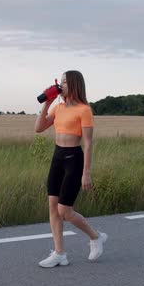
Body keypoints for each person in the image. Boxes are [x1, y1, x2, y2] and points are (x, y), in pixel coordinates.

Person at [34, 70, 107, 268]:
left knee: (65, 210)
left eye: (65, 82)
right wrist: (47, 104)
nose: (61, 85)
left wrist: (86, 172)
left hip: (74, 159)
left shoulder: (84, 110)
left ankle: (96, 237)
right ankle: (60, 253)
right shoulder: (58, 107)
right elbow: (38, 128)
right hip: (57, 158)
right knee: (53, 208)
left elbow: (89, 143)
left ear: (74, 84)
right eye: (61, 81)